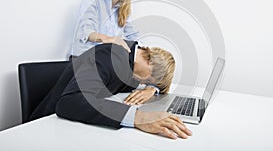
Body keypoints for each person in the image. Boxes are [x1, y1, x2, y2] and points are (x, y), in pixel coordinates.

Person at [30, 41, 192, 139]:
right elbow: (69, 102)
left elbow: (146, 83)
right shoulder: (107, 56)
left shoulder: (131, 61)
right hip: (43, 128)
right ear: (151, 63)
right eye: (148, 80)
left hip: (68, 130)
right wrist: (139, 117)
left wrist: (151, 88)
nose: (142, 83)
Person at [70, 0, 139, 58]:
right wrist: (110, 39)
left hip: (104, 59)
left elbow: (133, 36)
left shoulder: (124, 11)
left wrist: (147, 51)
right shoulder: (92, 0)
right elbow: (87, 32)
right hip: (83, 58)